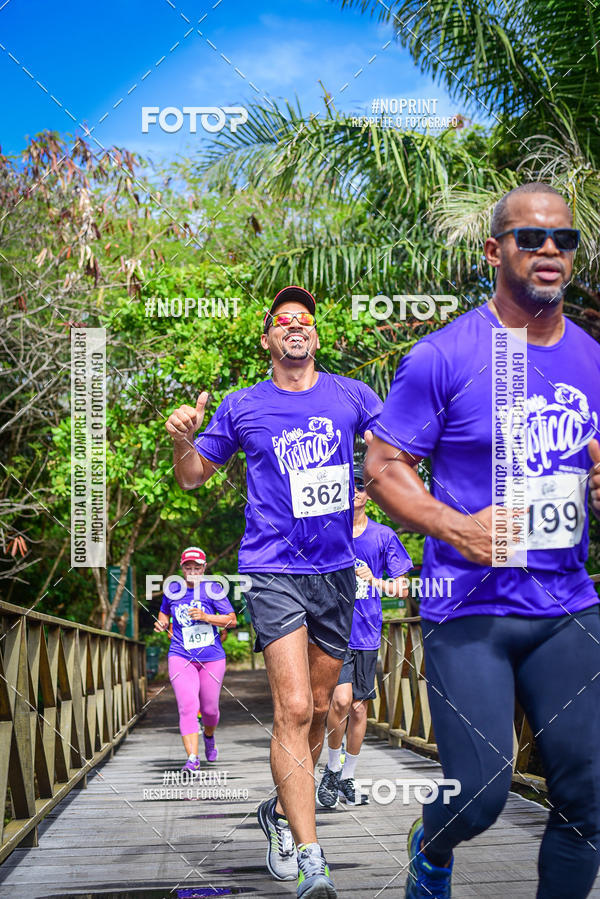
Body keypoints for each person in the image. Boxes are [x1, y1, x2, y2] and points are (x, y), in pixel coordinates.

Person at [364, 182, 600, 899]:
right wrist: (453, 524)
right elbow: (383, 465)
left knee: (589, 798)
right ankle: (431, 844)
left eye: (564, 238)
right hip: (469, 608)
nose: (550, 249)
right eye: (531, 237)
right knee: (479, 793)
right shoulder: (444, 355)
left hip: (566, 604)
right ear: (495, 250)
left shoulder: (592, 357)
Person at [165, 285, 382, 898]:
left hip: (335, 573)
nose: (295, 325)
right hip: (272, 570)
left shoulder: (352, 395)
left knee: (320, 707)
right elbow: (191, 478)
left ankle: (282, 812)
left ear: (315, 334)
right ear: (267, 339)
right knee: (292, 707)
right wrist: (182, 436)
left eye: (304, 319)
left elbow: (395, 454)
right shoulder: (243, 405)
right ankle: (313, 861)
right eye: (283, 319)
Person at [317, 465, 412, 808]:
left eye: (360, 486)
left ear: (369, 493)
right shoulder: (329, 532)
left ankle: (348, 776)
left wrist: (374, 580)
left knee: (359, 710)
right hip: (334, 631)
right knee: (340, 702)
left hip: (368, 632)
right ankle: (331, 768)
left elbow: (402, 588)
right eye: (349, 486)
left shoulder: (383, 536)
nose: (354, 491)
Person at [155, 546, 237, 770]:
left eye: (197, 568)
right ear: (182, 568)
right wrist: (162, 622)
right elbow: (164, 611)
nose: (192, 572)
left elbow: (232, 620)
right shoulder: (173, 589)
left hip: (211, 658)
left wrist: (206, 617)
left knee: (210, 710)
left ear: (204, 568)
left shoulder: (213, 589)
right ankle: (192, 758)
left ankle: (209, 736)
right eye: (188, 567)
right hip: (180, 655)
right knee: (188, 706)